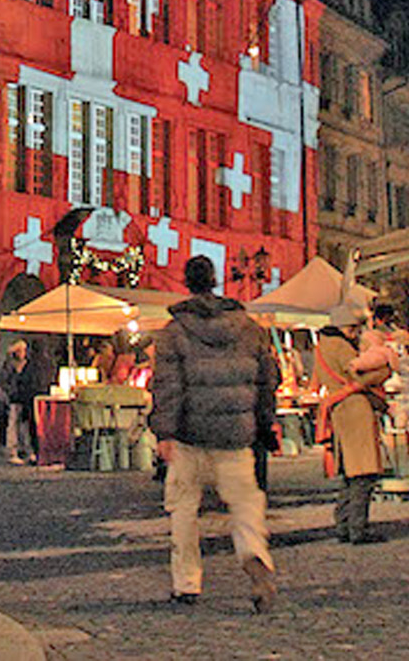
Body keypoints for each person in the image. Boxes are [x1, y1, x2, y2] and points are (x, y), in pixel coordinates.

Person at [150, 254, 280, 613]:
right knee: (245, 503)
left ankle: (187, 582)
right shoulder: (250, 329)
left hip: (190, 436)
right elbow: (267, 381)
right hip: (236, 435)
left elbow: (167, 387)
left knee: (183, 507)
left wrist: (164, 432)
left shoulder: (173, 333)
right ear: (216, 280)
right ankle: (255, 556)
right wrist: (264, 421)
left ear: (188, 282)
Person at [315, 301, 389, 543]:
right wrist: (384, 371)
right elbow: (361, 374)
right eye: (352, 329)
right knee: (363, 473)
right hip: (355, 409)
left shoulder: (321, 347)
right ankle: (358, 528)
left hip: (339, 410)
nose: (355, 333)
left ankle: (343, 524)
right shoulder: (340, 347)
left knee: (350, 472)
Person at [1, 341, 37, 464]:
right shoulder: (9, 366)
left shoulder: (27, 365)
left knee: (24, 427)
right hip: (14, 399)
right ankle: (13, 451)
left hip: (25, 399)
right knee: (13, 426)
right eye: (21, 350)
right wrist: (8, 392)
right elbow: (2, 381)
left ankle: (27, 451)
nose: (23, 353)